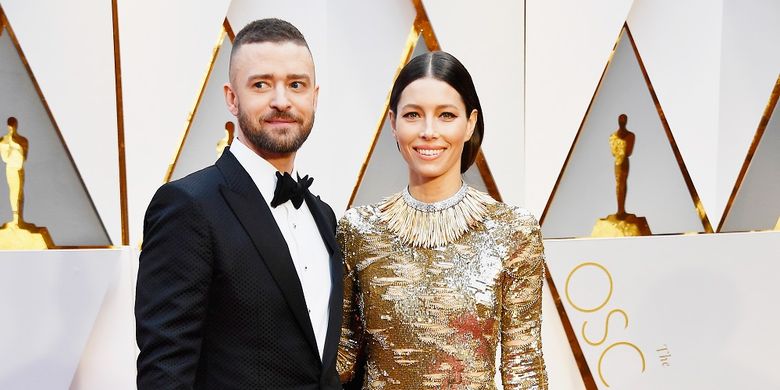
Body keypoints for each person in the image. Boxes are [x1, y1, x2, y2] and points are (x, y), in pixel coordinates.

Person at [135, 18, 343, 389]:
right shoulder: (188, 206)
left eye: (296, 85)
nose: (281, 101)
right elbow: (165, 370)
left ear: (314, 96)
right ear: (232, 97)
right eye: (261, 85)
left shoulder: (323, 216)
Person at [337, 51, 548, 389]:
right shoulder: (358, 231)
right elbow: (343, 357)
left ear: (470, 123)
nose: (429, 131)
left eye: (446, 115)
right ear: (393, 124)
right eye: (413, 115)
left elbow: (523, 366)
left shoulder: (513, 231)